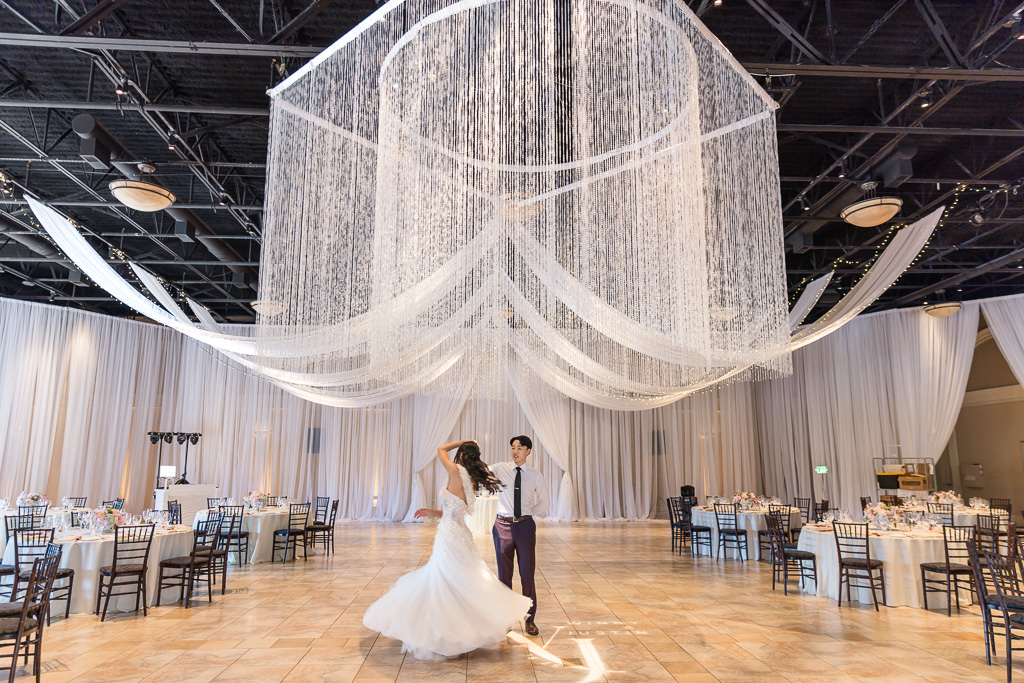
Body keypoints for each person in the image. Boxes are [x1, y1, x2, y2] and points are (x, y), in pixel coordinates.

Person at [362, 439, 532, 660]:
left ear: (461, 454)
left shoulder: (455, 470)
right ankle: (456, 632)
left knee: (444, 580)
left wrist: (464, 441)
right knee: (459, 581)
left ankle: (444, 634)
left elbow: (440, 449)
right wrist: (430, 512)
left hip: (449, 537)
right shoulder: (470, 480)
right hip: (460, 535)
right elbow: (454, 512)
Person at [489, 435, 548, 636]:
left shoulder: (535, 475)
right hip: (502, 526)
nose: (515, 451)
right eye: (513, 447)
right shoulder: (499, 468)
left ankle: (529, 620)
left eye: (520, 448)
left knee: (526, 573)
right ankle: (505, 620)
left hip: (525, 527)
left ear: (528, 451)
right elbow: (481, 473)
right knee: (504, 576)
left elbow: (545, 503)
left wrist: (527, 511)